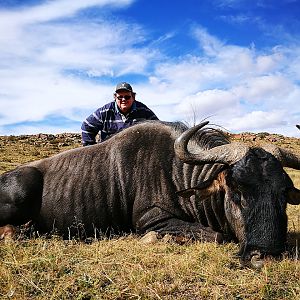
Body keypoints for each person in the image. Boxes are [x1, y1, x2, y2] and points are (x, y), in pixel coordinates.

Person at [81, 82, 159, 146]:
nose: (123, 99)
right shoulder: (104, 111)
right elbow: (87, 126)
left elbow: (158, 129)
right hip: (109, 156)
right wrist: (90, 150)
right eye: (120, 97)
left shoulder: (144, 111)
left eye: (127, 97)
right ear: (115, 97)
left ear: (133, 97)